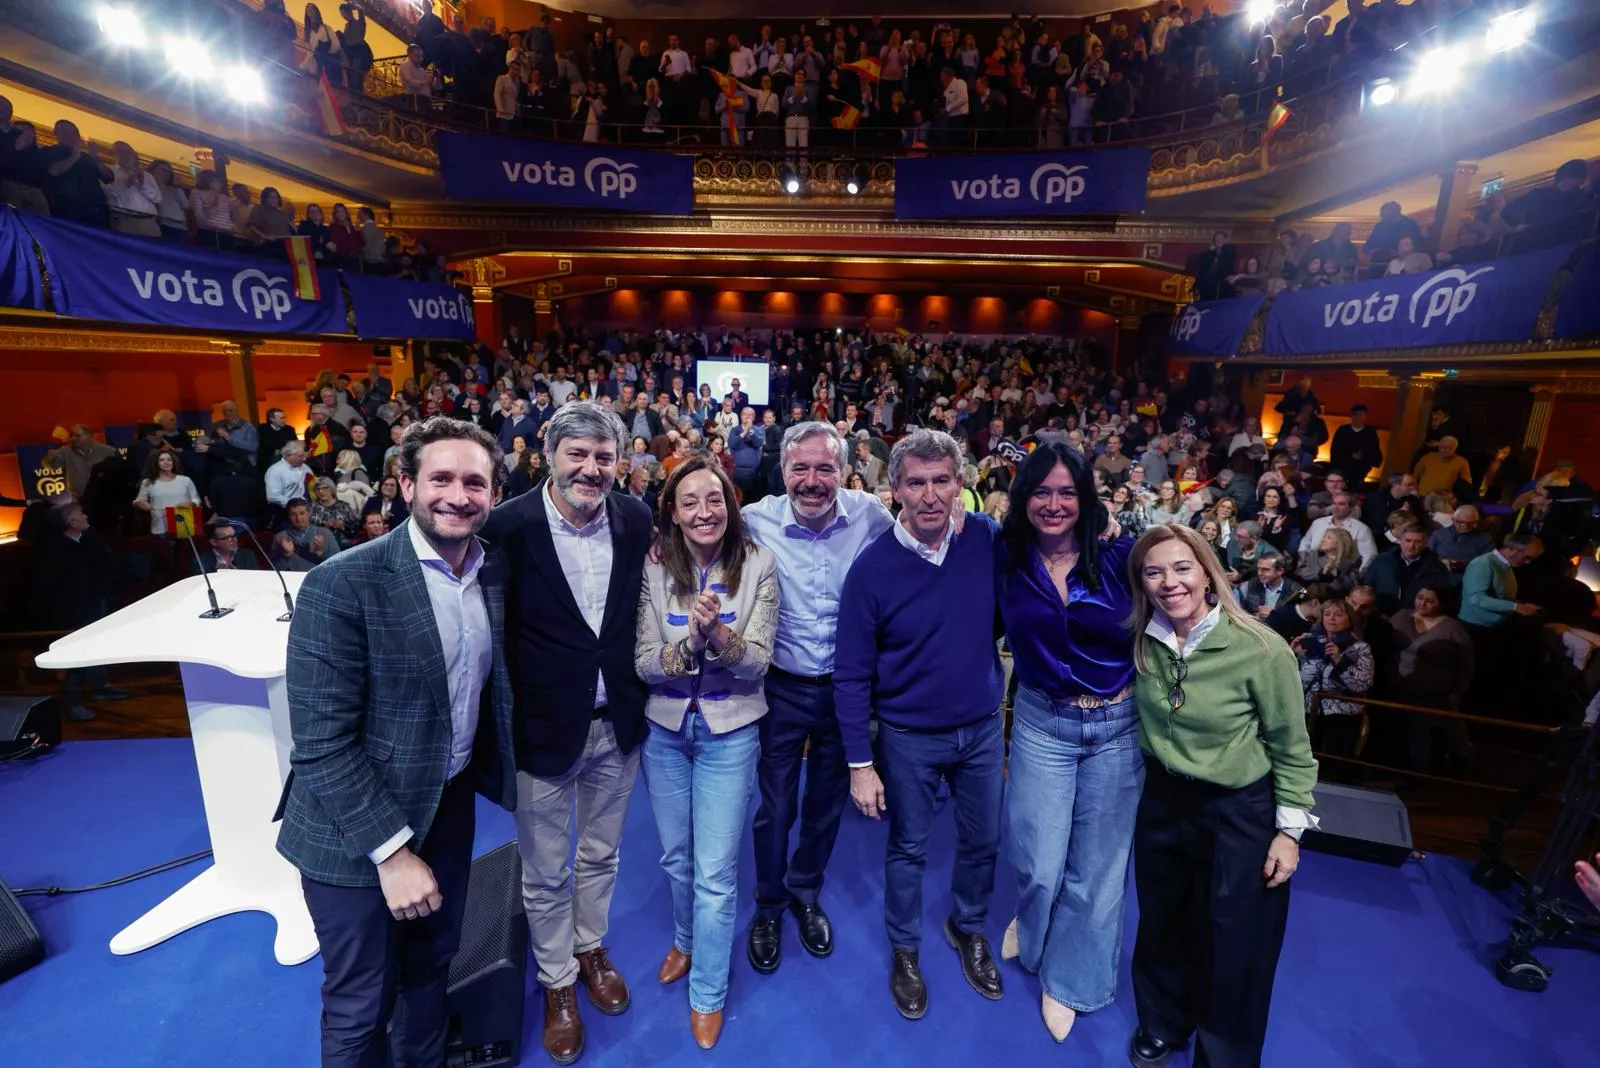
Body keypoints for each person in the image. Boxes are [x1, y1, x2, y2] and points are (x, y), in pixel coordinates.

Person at [275, 417, 518, 1068]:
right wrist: (391, 854)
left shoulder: (492, 572)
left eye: (475, 482)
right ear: (406, 484)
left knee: (431, 968)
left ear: (493, 495)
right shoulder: (343, 582)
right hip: (352, 833)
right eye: (441, 478)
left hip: (448, 804)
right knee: (361, 1001)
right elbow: (321, 743)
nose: (458, 495)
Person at [481, 401, 652, 1067]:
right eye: (577, 454)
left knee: (602, 857)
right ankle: (557, 983)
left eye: (604, 456)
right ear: (547, 456)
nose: (591, 468)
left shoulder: (636, 517)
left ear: (619, 461)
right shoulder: (506, 527)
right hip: (541, 732)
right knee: (546, 872)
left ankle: (590, 946)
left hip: (619, 728)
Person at [1125, 523, 1318, 1068]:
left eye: (1182, 567)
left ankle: (1224, 1054)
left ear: (1209, 573)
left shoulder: (1261, 648)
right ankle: (1163, 1021)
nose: (1169, 582)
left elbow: (1292, 745)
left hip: (1239, 812)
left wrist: (1288, 833)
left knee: (1238, 942)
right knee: (1163, 921)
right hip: (1162, 801)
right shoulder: (1141, 639)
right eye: (1154, 571)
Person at [837, 429, 1006, 1022]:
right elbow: (851, 674)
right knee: (907, 848)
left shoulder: (985, 537)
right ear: (894, 490)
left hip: (984, 729)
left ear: (961, 485)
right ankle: (905, 951)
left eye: (942, 481)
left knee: (984, 841)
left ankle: (968, 928)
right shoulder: (871, 570)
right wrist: (860, 764)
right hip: (909, 738)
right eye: (916, 482)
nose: (930, 495)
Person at [995, 441, 1141, 1043]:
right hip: (1039, 721)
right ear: (1024, 496)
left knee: (1097, 870)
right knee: (1036, 861)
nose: (1054, 504)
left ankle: (1072, 980)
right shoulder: (1002, 555)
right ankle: (1032, 928)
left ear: (1086, 500)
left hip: (1115, 726)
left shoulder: (1123, 558)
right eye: (1042, 491)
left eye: (1067, 492)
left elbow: (1187, 595)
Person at [741, 421, 897, 975]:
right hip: (780, 688)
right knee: (774, 808)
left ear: (845, 471)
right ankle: (767, 903)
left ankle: (805, 893)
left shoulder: (872, 518)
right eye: (800, 469)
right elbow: (695, 538)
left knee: (826, 805)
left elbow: (923, 541)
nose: (812, 480)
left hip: (846, 693)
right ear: (782, 472)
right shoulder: (753, 520)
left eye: (824, 468)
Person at [634, 457, 778, 1050]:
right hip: (665, 732)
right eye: (689, 501)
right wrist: (687, 643)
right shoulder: (653, 568)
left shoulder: (760, 565)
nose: (703, 511)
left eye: (713, 499)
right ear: (671, 511)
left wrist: (716, 636)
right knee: (676, 858)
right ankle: (686, 942)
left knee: (716, 874)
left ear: (730, 504)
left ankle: (709, 993)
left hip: (730, 732)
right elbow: (644, 665)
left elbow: (759, 662)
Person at [1391, 585, 1475, 772]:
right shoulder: (1401, 617)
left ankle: (1419, 772)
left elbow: (1466, 665)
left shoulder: (1453, 629)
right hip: (1398, 687)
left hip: (1431, 694)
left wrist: (1457, 692)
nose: (1423, 603)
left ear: (1441, 604)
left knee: (1422, 734)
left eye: (1430, 600)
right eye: (1420, 597)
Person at [1292, 597, 1375, 760]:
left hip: (1341, 715)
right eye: (1327, 614)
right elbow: (1293, 680)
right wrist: (1293, 655)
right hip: (1307, 711)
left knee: (1333, 765)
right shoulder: (1310, 641)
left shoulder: (1359, 649)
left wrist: (1339, 659)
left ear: (1350, 620)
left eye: (1338, 615)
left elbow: (1362, 684)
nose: (1331, 618)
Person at [132, 449, 201, 537]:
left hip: (183, 524)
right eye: (162, 460)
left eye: (169, 459)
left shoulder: (185, 480)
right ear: (155, 463)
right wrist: (141, 504)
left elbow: (196, 499)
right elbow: (138, 502)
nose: (166, 462)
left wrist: (191, 503)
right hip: (160, 527)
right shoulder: (148, 482)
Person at [193, 517, 260, 572]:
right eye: (228, 537)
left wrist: (238, 575)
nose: (234, 540)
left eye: (234, 535)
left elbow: (256, 581)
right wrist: (215, 575)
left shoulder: (248, 556)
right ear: (214, 542)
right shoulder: (200, 562)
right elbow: (197, 586)